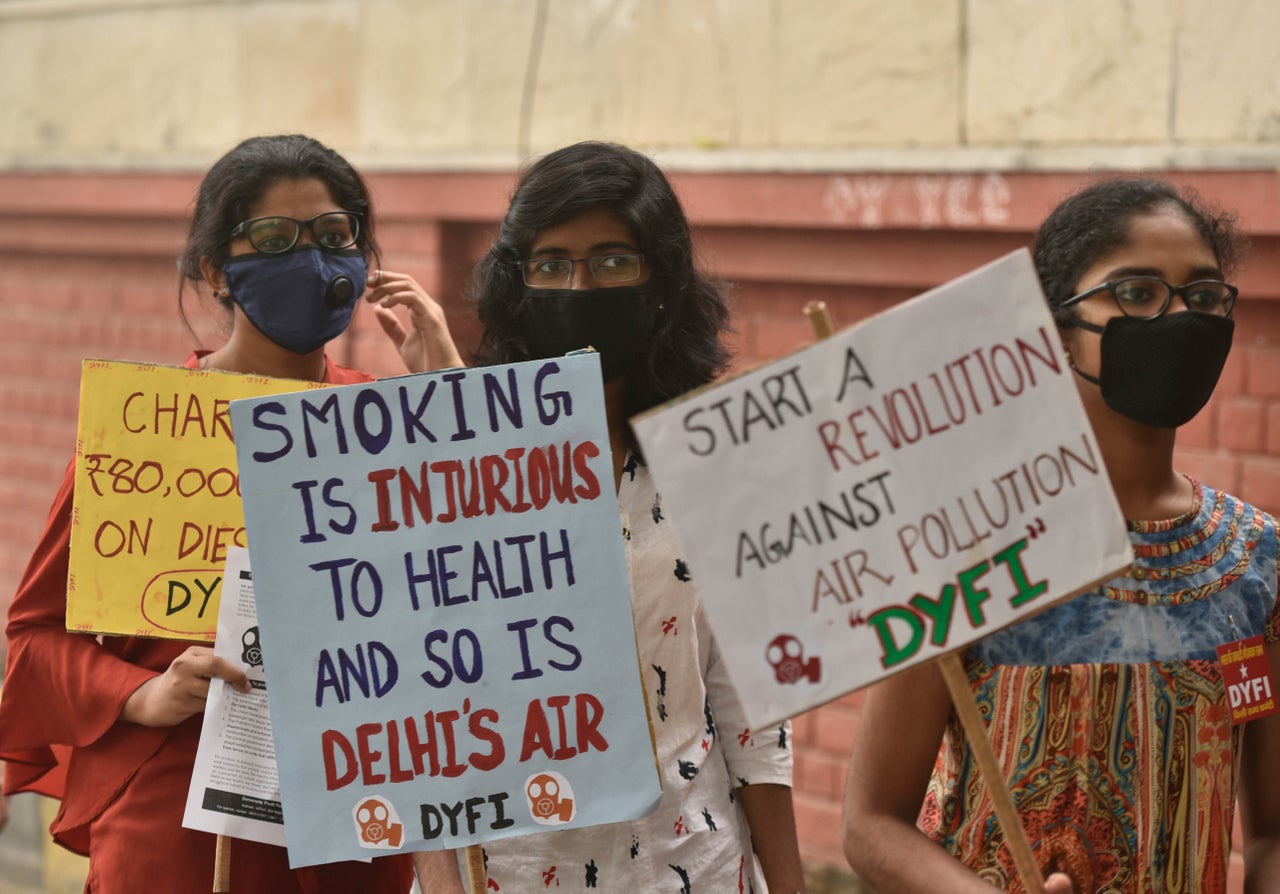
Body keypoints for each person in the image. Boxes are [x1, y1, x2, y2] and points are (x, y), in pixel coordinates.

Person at [0, 133, 460, 893]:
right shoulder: (146, 431)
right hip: (177, 829)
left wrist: (451, 404)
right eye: (277, 240)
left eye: (335, 236)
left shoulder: (389, 423)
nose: (313, 260)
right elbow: (34, 640)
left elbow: (487, 590)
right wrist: (139, 694)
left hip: (353, 820)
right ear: (217, 271)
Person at [841, 178, 1280, 892]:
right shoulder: (973, 544)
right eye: (1136, 292)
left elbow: (1270, 835)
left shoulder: (1256, 564)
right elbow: (870, 825)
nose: (1178, 319)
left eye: (1202, 296)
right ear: (1054, 327)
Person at [414, 141, 806, 893]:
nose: (580, 284)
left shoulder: (714, 457)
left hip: (691, 867)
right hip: (504, 873)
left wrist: (790, 885)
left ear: (661, 280)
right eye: (553, 263)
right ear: (518, 285)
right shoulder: (453, 463)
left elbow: (752, 707)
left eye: (613, 261)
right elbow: (409, 707)